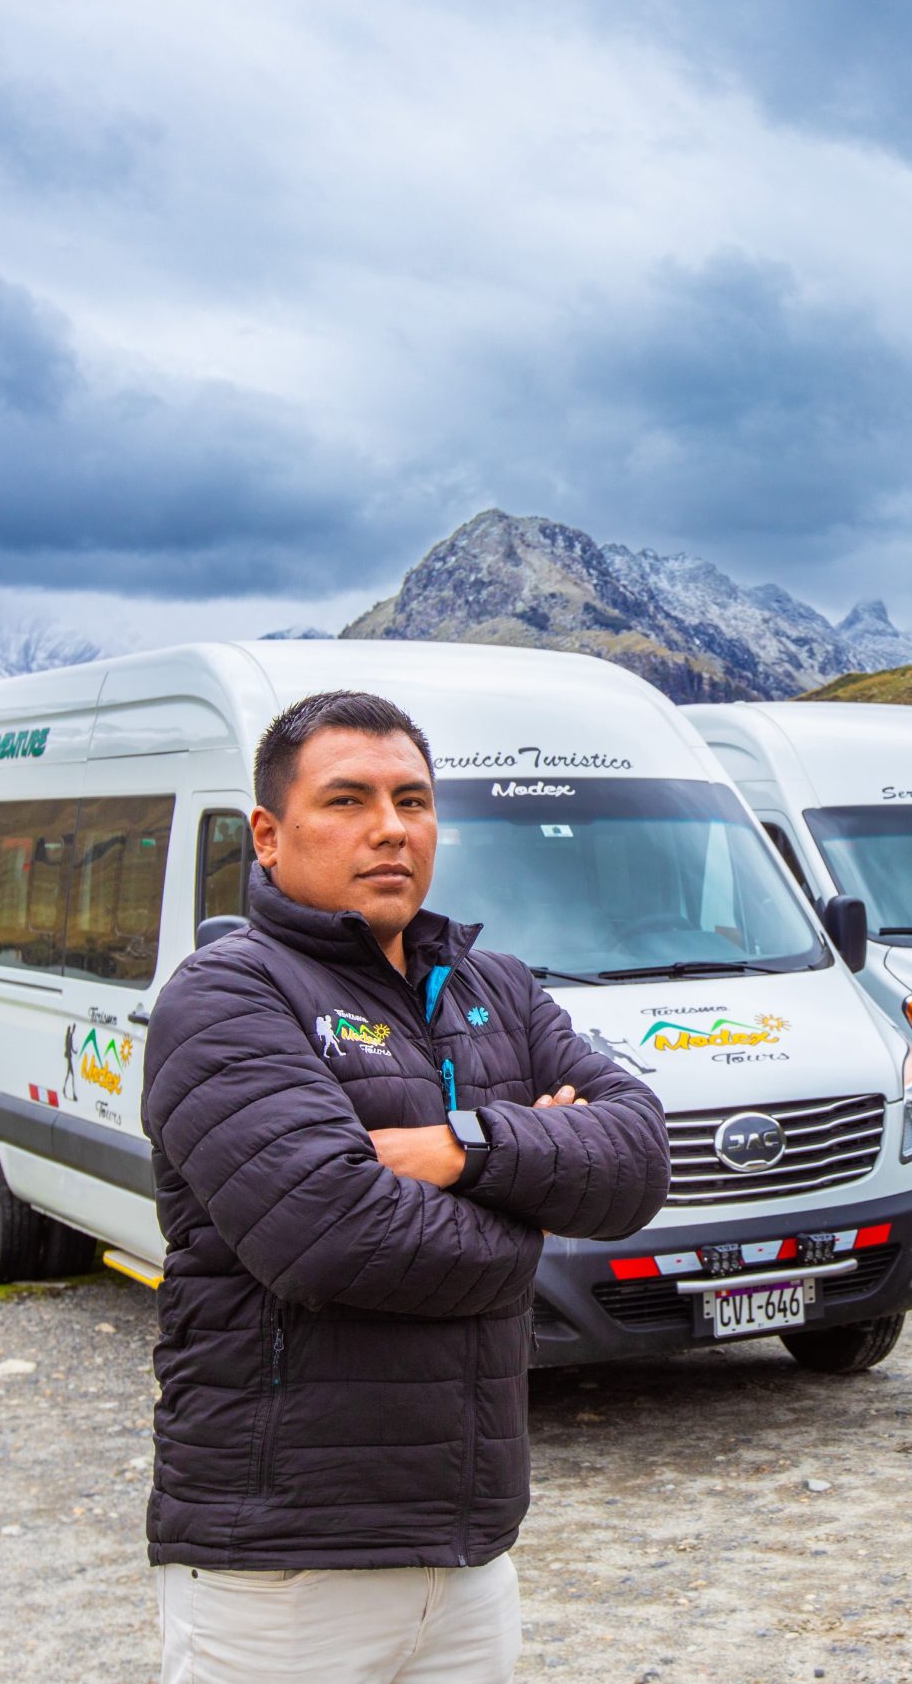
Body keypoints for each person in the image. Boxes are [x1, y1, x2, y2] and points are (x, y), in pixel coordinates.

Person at [140, 690, 670, 1682]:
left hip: (469, 1553)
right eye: (347, 800)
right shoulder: (226, 993)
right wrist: (536, 1215)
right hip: (283, 1571)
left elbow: (639, 1156)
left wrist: (464, 1149)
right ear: (268, 834)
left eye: (412, 801)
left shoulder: (493, 986)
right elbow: (334, 1239)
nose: (390, 828)